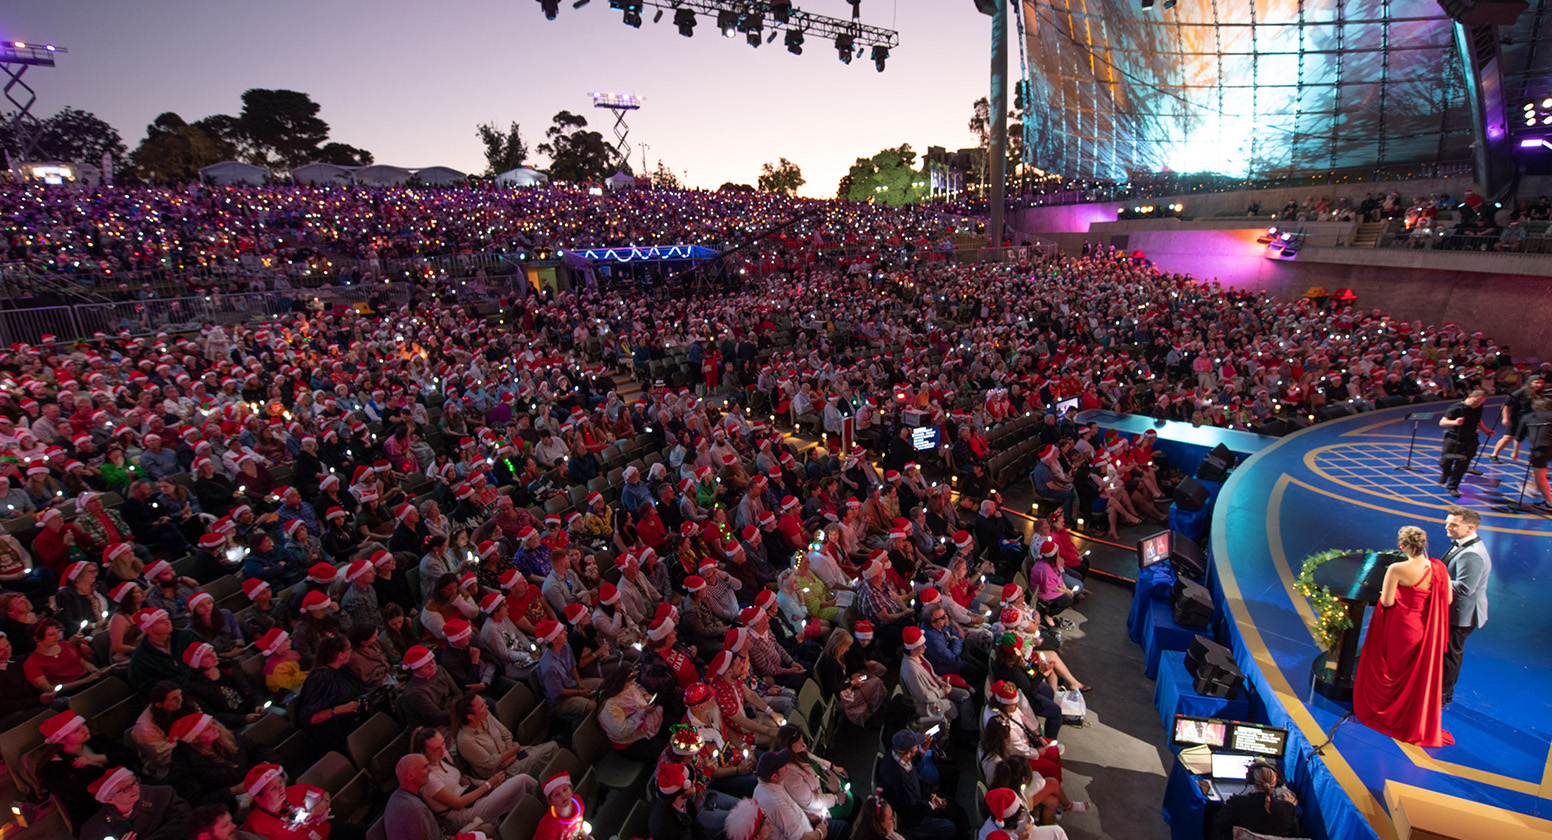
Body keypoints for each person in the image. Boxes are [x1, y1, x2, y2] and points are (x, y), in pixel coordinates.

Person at [1353, 525, 1454, 747]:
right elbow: (1446, 601)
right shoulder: (1439, 569)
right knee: (1411, 676)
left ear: (1402, 545)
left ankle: (1388, 713)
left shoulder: (1397, 569)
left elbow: (1387, 602)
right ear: (1424, 544)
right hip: (1424, 630)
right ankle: (1409, 717)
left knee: (1392, 671)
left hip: (1400, 628)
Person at [411, 725, 540, 831]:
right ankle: (546, 802)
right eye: (436, 749)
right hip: (462, 815)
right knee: (522, 780)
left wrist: (484, 783)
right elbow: (458, 803)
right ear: (423, 753)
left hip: (471, 794)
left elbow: (461, 778)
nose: (442, 750)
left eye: (443, 744)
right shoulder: (429, 778)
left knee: (510, 784)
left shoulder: (444, 755)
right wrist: (487, 785)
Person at [874, 729, 970, 840]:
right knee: (950, 826)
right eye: (916, 747)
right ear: (908, 753)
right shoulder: (898, 779)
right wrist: (932, 805)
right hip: (914, 817)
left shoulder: (895, 753)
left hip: (920, 799)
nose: (919, 745)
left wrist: (932, 796)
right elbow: (912, 807)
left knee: (955, 809)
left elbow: (913, 770)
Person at [1440, 505, 1491, 704]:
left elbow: (1465, 587)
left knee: (1451, 653)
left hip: (1462, 614)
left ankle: (1444, 693)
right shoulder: (1461, 544)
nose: (1447, 527)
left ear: (1470, 527)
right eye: (1447, 523)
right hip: (1454, 610)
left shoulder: (1473, 554)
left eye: (1453, 524)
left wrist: (1432, 579)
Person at [451, 692, 560, 780]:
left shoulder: (485, 715)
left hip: (512, 757)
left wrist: (512, 756)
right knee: (550, 750)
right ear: (471, 716)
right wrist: (515, 749)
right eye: (482, 706)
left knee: (551, 749)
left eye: (484, 702)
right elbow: (491, 762)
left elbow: (506, 734)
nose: (487, 706)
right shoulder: (465, 740)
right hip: (501, 773)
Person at [77, 765, 192, 840]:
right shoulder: (94, 829)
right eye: (126, 789)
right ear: (109, 799)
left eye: (134, 783)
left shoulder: (162, 795)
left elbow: (186, 821)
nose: (135, 789)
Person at [1210, 760, 1301, 840]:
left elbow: (1219, 826)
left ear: (1250, 779)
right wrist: (1287, 807)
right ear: (1275, 782)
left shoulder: (1237, 804)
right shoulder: (1288, 809)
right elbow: (1294, 835)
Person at [1437, 389, 1490, 496]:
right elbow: (1442, 422)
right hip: (1453, 439)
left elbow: (1478, 420)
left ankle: (1453, 486)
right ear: (1469, 397)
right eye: (1476, 402)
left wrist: (1485, 430)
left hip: (1470, 439)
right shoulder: (1456, 408)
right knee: (1444, 461)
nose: (1477, 405)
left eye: (1480, 403)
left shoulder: (1478, 407)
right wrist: (1455, 422)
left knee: (1463, 465)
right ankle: (1446, 472)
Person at [385, 754, 444, 840]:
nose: (430, 770)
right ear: (410, 776)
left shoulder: (396, 796)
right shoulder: (416, 810)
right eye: (424, 767)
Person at [533, 771, 594, 840]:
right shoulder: (548, 826)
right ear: (550, 801)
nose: (563, 795)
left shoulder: (578, 802)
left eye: (565, 790)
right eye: (557, 795)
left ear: (571, 789)